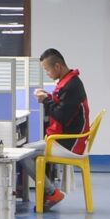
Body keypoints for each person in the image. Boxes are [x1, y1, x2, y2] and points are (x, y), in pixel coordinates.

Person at [37, 48, 90, 208]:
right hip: (67, 137)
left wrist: (45, 101)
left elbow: (61, 116)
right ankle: (49, 193)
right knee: (34, 151)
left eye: (47, 70)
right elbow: (63, 107)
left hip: (70, 142)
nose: (47, 74)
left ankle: (52, 193)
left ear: (57, 66)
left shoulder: (72, 86)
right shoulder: (69, 82)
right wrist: (49, 97)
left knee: (26, 154)